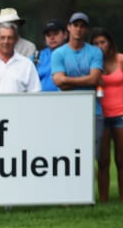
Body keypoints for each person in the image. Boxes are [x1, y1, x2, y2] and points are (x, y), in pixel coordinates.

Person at [52, 11, 103, 155]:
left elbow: (94, 79)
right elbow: (58, 81)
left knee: (91, 154)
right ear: (69, 27)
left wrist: (67, 80)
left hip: (93, 109)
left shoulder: (95, 52)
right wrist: (86, 80)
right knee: (67, 153)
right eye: (75, 25)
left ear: (86, 29)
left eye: (82, 26)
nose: (78, 29)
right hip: (66, 109)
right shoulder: (58, 53)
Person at [91, 27, 122, 202]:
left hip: (120, 114)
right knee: (103, 160)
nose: (100, 46)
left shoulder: (120, 60)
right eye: (95, 43)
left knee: (121, 159)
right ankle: (103, 199)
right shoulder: (93, 64)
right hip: (101, 115)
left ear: (109, 43)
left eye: (102, 42)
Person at [36, 19, 68, 92]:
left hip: (68, 97)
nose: (52, 38)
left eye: (55, 34)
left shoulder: (72, 53)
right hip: (40, 98)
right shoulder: (36, 57)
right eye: (48, 35)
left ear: (65, 35)